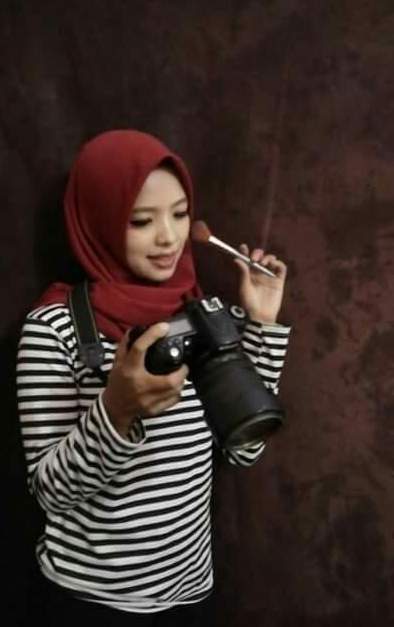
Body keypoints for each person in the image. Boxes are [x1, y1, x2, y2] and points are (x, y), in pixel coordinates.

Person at [16, 129, 291, 625]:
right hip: (91, 600)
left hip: (191, 593)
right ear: (98, 221)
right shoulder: (56, 327)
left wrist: (262, 325)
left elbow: (245, 449)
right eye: (141, 221)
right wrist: (116, 412)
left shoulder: (202, 314)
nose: (169, 237)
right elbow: (50, 491)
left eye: (180, 214)